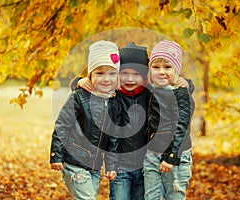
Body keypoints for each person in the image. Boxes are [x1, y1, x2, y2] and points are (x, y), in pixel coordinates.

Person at [76, 42, 192, 200]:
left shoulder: (151, 94)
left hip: (145, 164)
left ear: (145, 76)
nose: (130, 79)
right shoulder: (112, 95)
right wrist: (79, 81)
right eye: (124, 73)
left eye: (137, 74)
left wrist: (187, 83)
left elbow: (175, 92)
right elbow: (87, 91)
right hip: (120, 166)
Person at [49, 40, 121, 200]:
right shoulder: (79, 97)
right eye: (99, 73)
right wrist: (56, 155)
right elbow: (62, 125)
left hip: (95, 166)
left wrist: (111, 165)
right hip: (74, 162)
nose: (106, 79)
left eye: (111, 73)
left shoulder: (114, 102)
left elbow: (113, 138)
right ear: (90, 75)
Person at [143, 40, 194, 200]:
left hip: (175, 154)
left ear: (177, 70)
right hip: (152, 154)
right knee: (151, 196)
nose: (161, 72)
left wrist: (171, 157)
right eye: (156, 67)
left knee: (174, 196)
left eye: (167, 67)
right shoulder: (151, 91)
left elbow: (181, 127)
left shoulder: (181, 94)